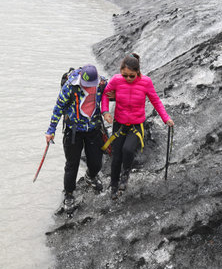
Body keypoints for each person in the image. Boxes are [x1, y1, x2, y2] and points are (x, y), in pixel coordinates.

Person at [101, 53, 174, 200]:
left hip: (136, 125)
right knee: (116, 157)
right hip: (119, 124)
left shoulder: (146, 82)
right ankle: (114, 185)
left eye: (131, 76)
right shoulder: (116, 80)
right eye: (125, 75)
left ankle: (126, 174)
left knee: (127, 150)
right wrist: (105, 112)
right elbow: (105, 95)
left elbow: (156, 101)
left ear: (138, 72)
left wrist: (166, 118)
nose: (127, 79)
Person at [45, 64, 107, 211]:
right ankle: (69, 194)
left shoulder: (102, 83)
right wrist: (51, 130)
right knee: (72, 165)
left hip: (93, 128)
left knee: (96, 162)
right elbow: (59, 107)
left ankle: (90, 176)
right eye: (86, 85)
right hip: (73, 131)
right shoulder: (70, 86)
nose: (88, 88)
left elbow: (114, 92)